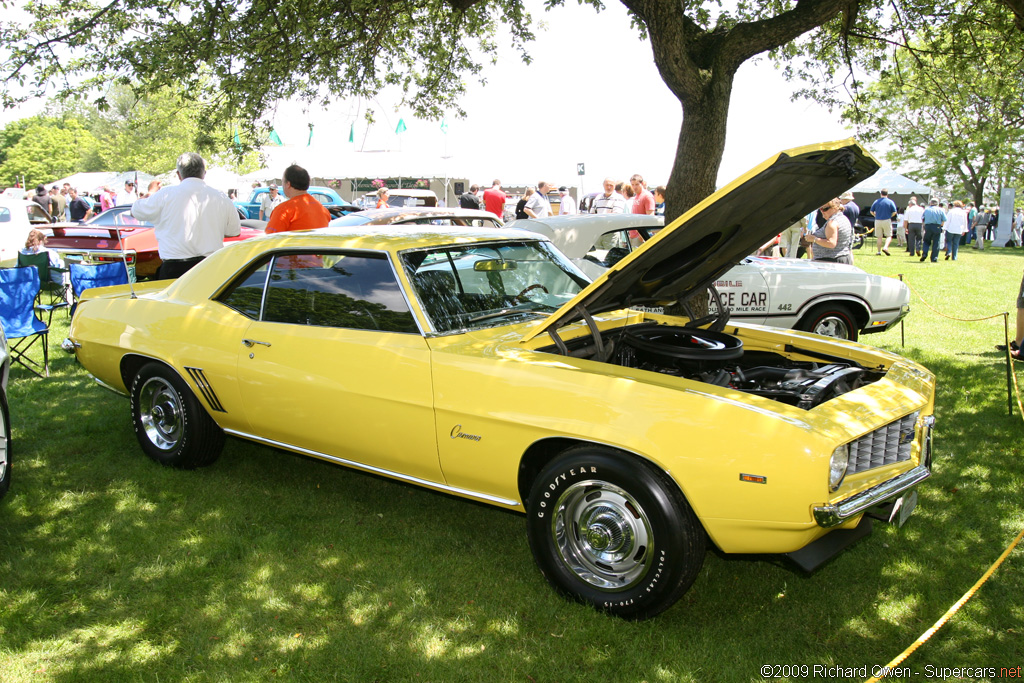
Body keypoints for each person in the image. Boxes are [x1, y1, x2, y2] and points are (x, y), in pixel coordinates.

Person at [131, 152, 240, 280]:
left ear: (178, 174)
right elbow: (234, 231)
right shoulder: (221, 197)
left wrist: (150, 192)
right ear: (204, 173)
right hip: (210, 266)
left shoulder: (166, 195)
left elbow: (135, 211)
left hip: (174, 269)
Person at [265, 164, 332, 234]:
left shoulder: (283, 210)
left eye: (282, 181)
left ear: (288, 184)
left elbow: (270, 240)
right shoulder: (323, 210)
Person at [806, 198, 854, 264]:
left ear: (834, 208)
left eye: (825, 209)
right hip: (842, 257)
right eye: (820, 209)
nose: (822, 211)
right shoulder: (843, 218)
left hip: (831, 261)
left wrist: (814, 239)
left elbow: (831, 243)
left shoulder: (832, 223)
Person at [870, 188, 898, 256]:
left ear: (881, 194)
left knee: (879, 237)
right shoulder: (890, 202)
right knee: (889, 235)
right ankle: (885, 247)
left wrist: (875, 215)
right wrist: (890, 216)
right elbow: (894, 212)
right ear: (887, 194)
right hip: (887, 219)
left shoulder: (876, 201)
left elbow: (871, 211)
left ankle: (879, 251)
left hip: (878, 220)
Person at [920, 198, 947, 262]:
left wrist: (924, 226)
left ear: (930, 203)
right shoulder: (941, 210)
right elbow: (944, 219)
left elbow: (923, 218)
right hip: (937, 226)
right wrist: (941, 226)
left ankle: (924, 254)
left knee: (926, 241)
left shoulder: (926, 210)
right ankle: (934, 258)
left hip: (928, 226)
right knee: (936, 242)